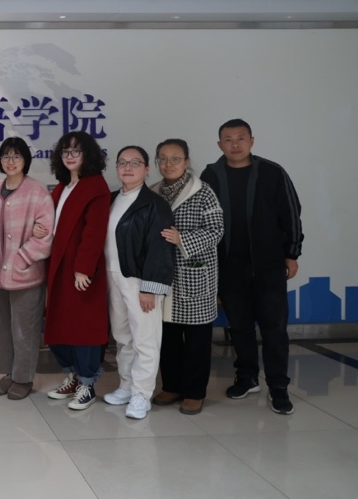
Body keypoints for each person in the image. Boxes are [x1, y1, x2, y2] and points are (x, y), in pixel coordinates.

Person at [200, 119, 303, 415]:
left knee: (274, 328)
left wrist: (292, 253)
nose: (235, 144)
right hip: (228, 265)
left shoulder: (272, 172)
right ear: (219, 144)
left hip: (268, 264)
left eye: (241, 138)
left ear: (252, 141)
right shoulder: (211, 175)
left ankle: (278, 386)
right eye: (228, 139)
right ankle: (246, 377)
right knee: (240, 326)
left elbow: (291, 213)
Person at [150, 138, 224, 415]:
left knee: (196, 339)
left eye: (175, 158)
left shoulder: (203, 192)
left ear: (187, 161)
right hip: (163, 276)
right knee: (167, 336)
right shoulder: (153, 191)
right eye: (163, 158)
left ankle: (194, 392)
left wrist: (183, 239)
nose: (168, 164)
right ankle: (171, 385)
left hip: (194, 275)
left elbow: (216, 230)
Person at [102, 146, 176, 419]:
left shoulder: (155, 205)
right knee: (123, 337)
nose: (127, 167)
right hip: (113, 277)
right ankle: (126, 386)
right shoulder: (110, 199)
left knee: (145, 340)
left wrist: (149, 288)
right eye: (122, 162)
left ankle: (141, 395)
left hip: (139, 281)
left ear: (147, 169)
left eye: (135, 163)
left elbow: (160, 249)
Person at [44, 131, 111, 411]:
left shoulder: (95, 186)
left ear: (88, 155)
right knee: (61, 325)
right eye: (65, 151)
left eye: (76, 151)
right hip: (59, 266)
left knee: (84, 327)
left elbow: (94, 232)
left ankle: (87, 383)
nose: (70, 156)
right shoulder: (62, 187)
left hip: (81, 270)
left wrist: (83, 268)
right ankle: (72, 376)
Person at [0, 137, 54, 401]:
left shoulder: (37, 191)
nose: (10, 161)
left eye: (16, 156)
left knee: (24, 329)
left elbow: (46, 234)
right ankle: (8, 373)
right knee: (1, 328)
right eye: (5, 156)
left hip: (26, 273)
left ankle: (23, 378)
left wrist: (22, 258)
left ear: (25, 159)